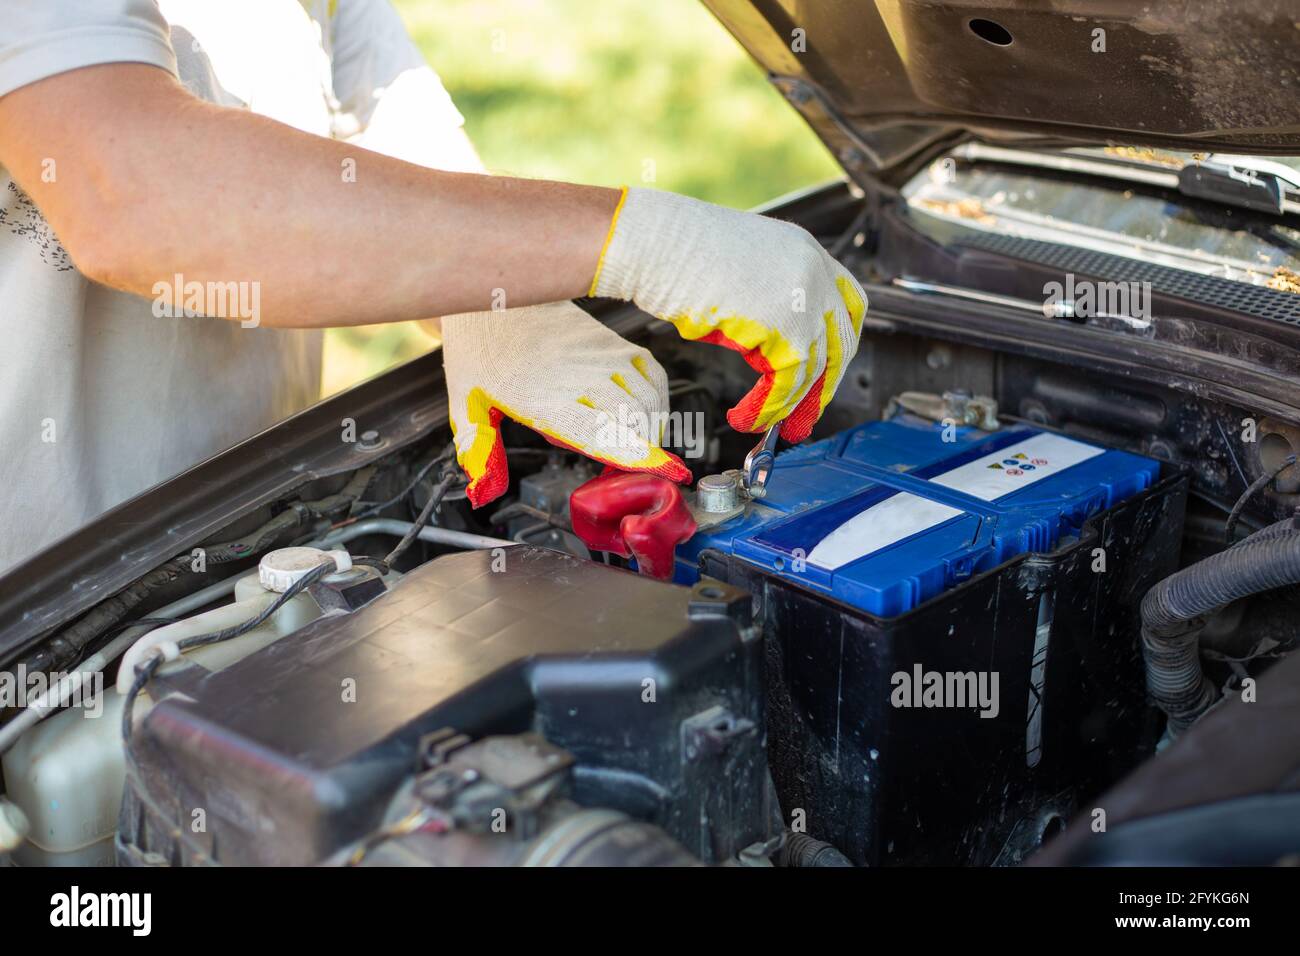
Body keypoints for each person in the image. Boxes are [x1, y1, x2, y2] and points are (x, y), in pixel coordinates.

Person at [0, 0, 865, 574]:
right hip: (41, 609)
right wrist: (645, 239)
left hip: (252, 541)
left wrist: (492, 306)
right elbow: (132, 191)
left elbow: (396, 156)